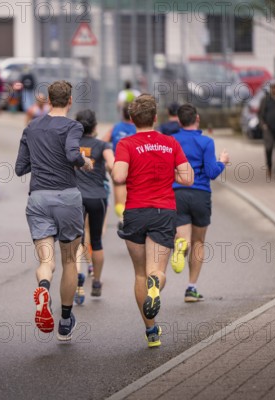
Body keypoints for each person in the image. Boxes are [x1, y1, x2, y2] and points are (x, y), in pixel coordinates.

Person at [112, 94, 193, 348]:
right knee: (155, 271)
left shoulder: (126, 143)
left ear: (132, 119)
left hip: (135, 212)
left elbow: (118, 176)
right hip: (163, 212)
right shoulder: (170, 143)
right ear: (155, 118)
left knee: (138, 274)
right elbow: (188, 178)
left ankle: (151, 331)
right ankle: (156, 283)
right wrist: (170, 172)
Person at [15, 80, 93, 341]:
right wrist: (86, 161)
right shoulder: (73, 126)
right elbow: (72, 155)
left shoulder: (32, 126)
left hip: (38, 199)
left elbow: (19, 168)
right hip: (67, 199)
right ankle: (64, 321)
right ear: (70, 100)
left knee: (46, 262)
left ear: (48, 99)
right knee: (70, 260)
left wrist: (41, 158)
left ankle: (43, 288)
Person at [171, 104, 229, 302]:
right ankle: (191, 288)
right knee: (198, 243)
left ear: (178, 121)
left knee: (184, 239)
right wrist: (222, 161)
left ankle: (180, 245)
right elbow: (212, 172)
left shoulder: (171, 141)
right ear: (197, 118)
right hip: (200, 194)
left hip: (177, 192)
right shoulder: (206, 142)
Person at [74, 109, 114, 303]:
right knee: (96, 241)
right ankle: (96, 282)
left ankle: (78, 282)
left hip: (75, 198)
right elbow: (113, 166)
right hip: (97, 197)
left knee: (76, 241)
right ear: (95, 126)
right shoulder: (102, 145)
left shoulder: (71, 145)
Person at [101, 105, 137, 228]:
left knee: (119, 197)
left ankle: (122, 217)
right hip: (134, 165)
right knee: (132, 192)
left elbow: (103, 142)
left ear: (122, 114)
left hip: (118, 165)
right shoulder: (137, 129)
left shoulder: (115, 128)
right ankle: (131, 217)